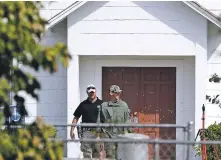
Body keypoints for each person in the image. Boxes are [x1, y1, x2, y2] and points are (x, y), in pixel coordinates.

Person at [70, 84, 104, 158]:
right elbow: (76, 117)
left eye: (93, 92)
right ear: (87, 93)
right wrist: (72, 130)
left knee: (97, 155)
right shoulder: (83, 104)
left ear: (95, 92)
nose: (91, 94)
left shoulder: (102, 104)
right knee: (86, 155)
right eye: (90, 92)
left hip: (97, 133)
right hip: (86, 133)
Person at [101, 85, 131, 159]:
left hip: (121, 137)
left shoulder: (124, 105)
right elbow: (100, 122)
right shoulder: (104, 106)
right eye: (116, 92)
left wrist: (127, 134)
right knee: (110, 156)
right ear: (111, 93)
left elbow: (127, 120)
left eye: (119, 93)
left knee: (121, 157)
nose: (118, 94)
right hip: (109, 136)